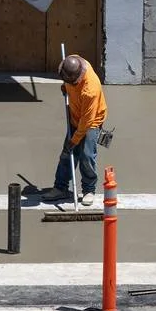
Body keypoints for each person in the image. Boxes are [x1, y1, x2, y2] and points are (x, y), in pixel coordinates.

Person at [41, 55, 108, 205]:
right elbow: (68, 83)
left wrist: (74, 140)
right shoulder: (73, 63)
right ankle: (60, 188)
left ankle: (89, 190)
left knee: (86, 155)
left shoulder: (90, 89)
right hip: (75, 116)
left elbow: (86, 121)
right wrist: (65, 87)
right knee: (66, 154)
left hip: (91, 122)